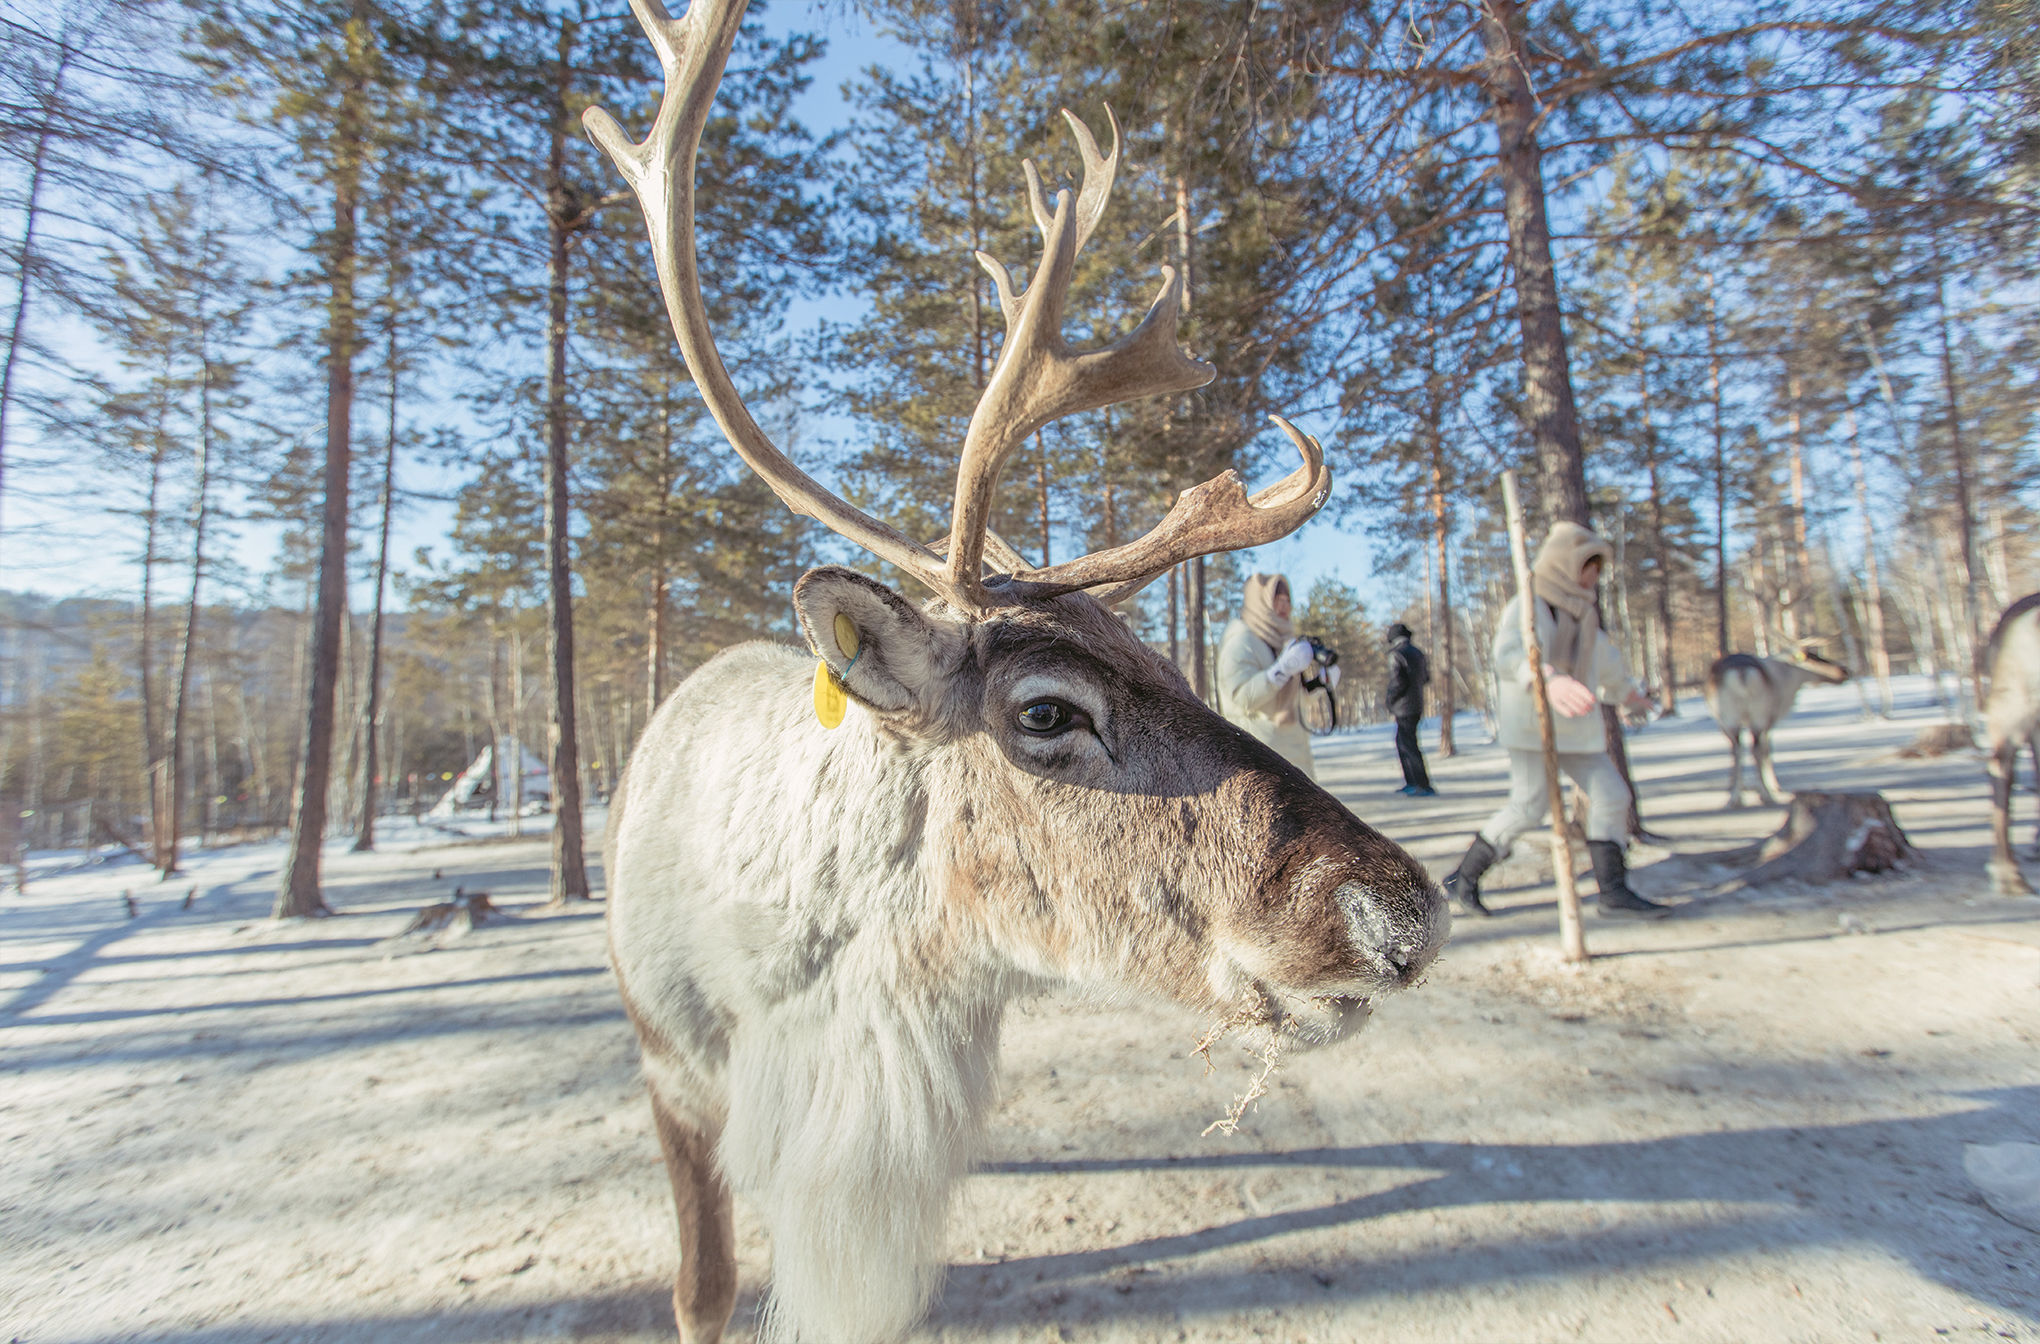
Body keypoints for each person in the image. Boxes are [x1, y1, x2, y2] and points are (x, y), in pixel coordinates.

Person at [1442, 521, 1667, 920]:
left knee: (1613, 795)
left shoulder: (1583, 615)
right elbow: (1509, 654)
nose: (1593, 577)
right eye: (1587, 566)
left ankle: (1613, 891)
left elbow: (1607, 667)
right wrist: (1548, 677)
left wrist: (1629, 695)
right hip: (1533, 726)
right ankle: (1464, 879)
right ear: (1566, 564)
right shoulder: (1529, 606)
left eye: (1597, 569)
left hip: (1577, 729)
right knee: (1529, 806)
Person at [1217, 573, 1336, 780]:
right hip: (1261, 762)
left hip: (1296, 758)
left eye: (1287, 600)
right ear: (1260, 603)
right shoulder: (1241, 642)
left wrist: (1319, 684)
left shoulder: (1282, 640)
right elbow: (1240, 699)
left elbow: (1292, 702)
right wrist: (1279, 672)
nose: (1284, 606)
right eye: (1277, 600)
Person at [1385, 622, 1434, 796]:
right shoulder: (1418, 653)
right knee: (1405, 742)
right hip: (1417, 704)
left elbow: (1398, 682)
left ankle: (1421, 784)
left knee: (1407, 744)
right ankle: (1413, 782)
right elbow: (1426, 678)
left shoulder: (1396, 654)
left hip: (1403, 707)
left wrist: (1390, 700)